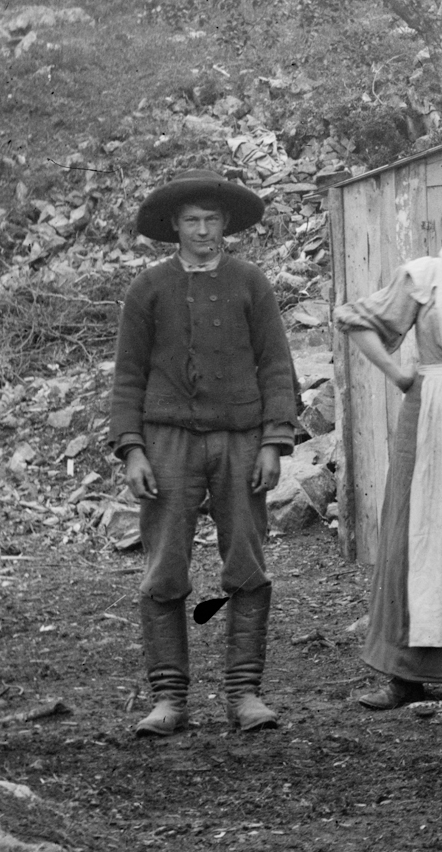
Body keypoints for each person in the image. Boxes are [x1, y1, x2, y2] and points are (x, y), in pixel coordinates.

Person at [107, 172, 299, 737]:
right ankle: (169, 699)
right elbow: (129, 376)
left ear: (225, 225)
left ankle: (245, 694)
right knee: (165, 565)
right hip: (167, 442)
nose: (202, 231)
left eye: (212, 220)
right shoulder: (148, 288)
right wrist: (132, 449)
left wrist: (273, 440)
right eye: (192, 220)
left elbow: (276, 365)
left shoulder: (250, 283)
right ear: (174, 227)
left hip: (240, 439)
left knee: (246, 561)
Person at [334, 180, 442, 711]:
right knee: (416, 533)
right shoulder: (425, 274)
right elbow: (357, 320)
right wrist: (399, 373)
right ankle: (402, 676)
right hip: (431, 411)